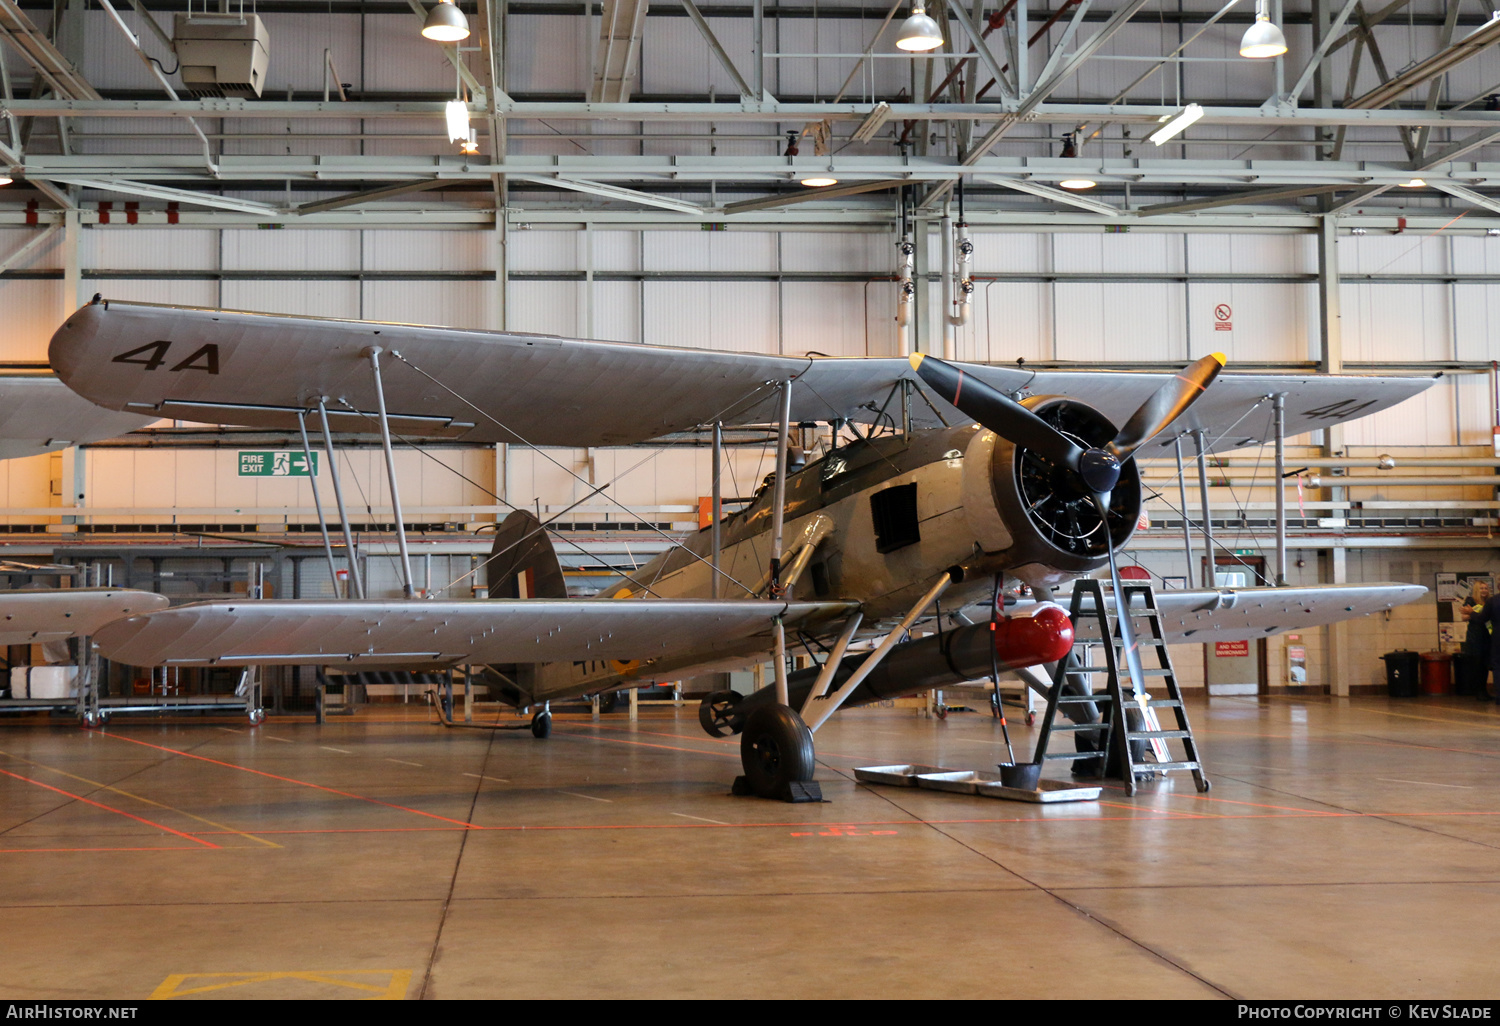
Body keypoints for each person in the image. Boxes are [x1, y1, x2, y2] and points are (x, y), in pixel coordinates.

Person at [1463, 589, 1499, 701]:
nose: (1485, 590)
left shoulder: (1493, 600)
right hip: (1485, 639)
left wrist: (1471, 613)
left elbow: (1483, 618)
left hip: (1497, 637)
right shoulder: (1488, 600)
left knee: (1497, 667)